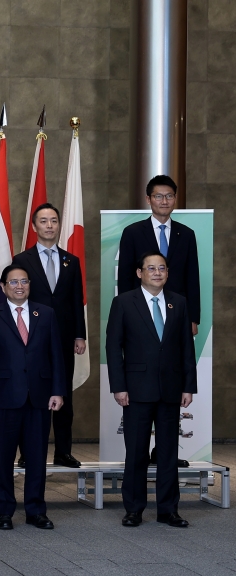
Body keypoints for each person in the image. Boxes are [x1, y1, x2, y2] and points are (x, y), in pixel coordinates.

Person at [106, 252, 197, 528]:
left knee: (168, 453)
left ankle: (168, 510)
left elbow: (186, 347)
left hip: (170, 390)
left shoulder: (178, 302)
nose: (157, 273)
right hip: (136, 391)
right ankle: (134, 509)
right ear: (139, 273)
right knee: (136, 453)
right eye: (151, 268)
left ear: (167, 273)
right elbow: (113, 347)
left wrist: (188, 386)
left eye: (162, 268)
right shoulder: (123, 302)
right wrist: (118, 386)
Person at [117, 175, 200, 467]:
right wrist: (127, 315)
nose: (164, 201)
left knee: (170, 378)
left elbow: (192, 277)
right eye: (158, 196)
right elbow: (125, 277)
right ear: (148, 199)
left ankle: (165, 453)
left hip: (176, 317)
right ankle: (141, 455)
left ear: (175, 199)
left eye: (169, 196)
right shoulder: (132, 232)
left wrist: (193, 318)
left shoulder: (186, 234)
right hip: (140, 317)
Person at [0, 264, 65, 530]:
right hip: (3, 399)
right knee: (3, 458)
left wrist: (57, 390)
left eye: (24, 281)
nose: (19, 286)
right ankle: (4, 512)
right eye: (13, 282)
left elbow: (56, 356)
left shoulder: (46, 314)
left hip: (39, 398)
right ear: (3, 287)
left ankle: (36, 510)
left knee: (37, 458)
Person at [11, 203, 86, 469]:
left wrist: (80, 335)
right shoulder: (22, 260)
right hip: (32, 337)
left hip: (64, 337)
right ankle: (27, 452)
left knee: (64, 394)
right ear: (34, 226)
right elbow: (17, 298)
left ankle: (63, 451)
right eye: (43, 221)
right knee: (31, 394)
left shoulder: (71, 261)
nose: (49, 225)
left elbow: (77, 300)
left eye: (53, 220)